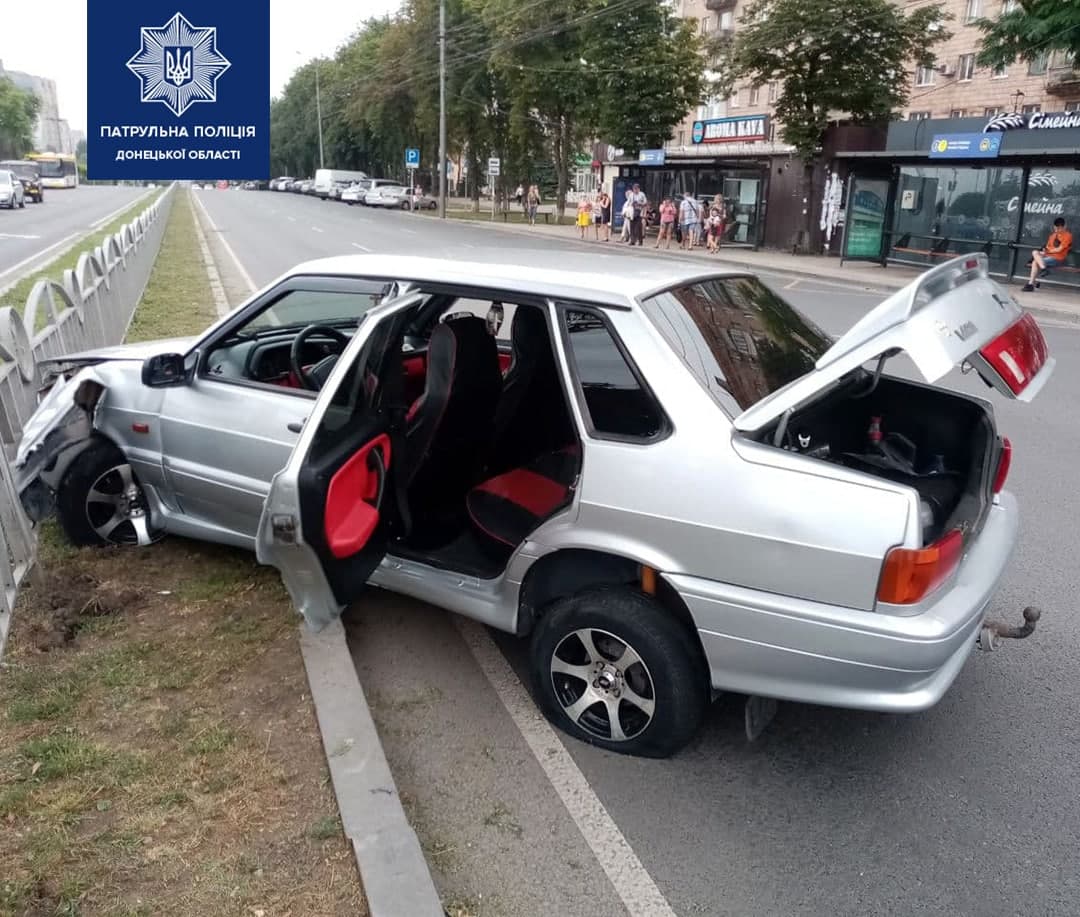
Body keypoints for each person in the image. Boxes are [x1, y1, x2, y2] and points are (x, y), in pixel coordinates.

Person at [1024, 217, 1072, 291]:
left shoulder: (1067, 235)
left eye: (1060, 228)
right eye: (1056, 228)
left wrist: (1047, 252)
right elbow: (1047, 248)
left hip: (1058, 259)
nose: (1058, 230)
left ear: (1064, 227)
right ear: (1054, 227)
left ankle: (1031, 284)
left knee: (1035, 262)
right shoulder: (1052, 236)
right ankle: (1043, 269)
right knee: (1035, 252)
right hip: (1048, 256)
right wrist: (1044, 251)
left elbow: (1059, 249)